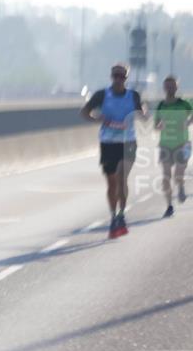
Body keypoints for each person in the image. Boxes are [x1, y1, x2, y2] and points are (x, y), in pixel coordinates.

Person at [80, 63, 148, 238]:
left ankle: (121, 215)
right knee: (112, 183)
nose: (118, 79)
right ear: (111, 77)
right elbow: (85, 112)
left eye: (121, 76)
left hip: (128, 142)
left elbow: (143, 112)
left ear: (126, 78)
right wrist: (98, 119)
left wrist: (144, 113)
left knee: (122, 178)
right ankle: (113, 216)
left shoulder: (133, 95)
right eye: (115, 75)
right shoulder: (102, 95)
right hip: (108, 143)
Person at [154, 75, 192, 218]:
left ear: (177, 87)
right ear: (164, 88)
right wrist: (159, 126)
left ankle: (180, 186)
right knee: (166, 177)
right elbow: (155, 125)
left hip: (183, 144)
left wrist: (188, 122)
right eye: (168, 86)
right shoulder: (161, 105)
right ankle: (169, 206)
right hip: (165, 145)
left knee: (178, 174)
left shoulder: (184, 103)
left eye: (173, 86)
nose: (170, 88)